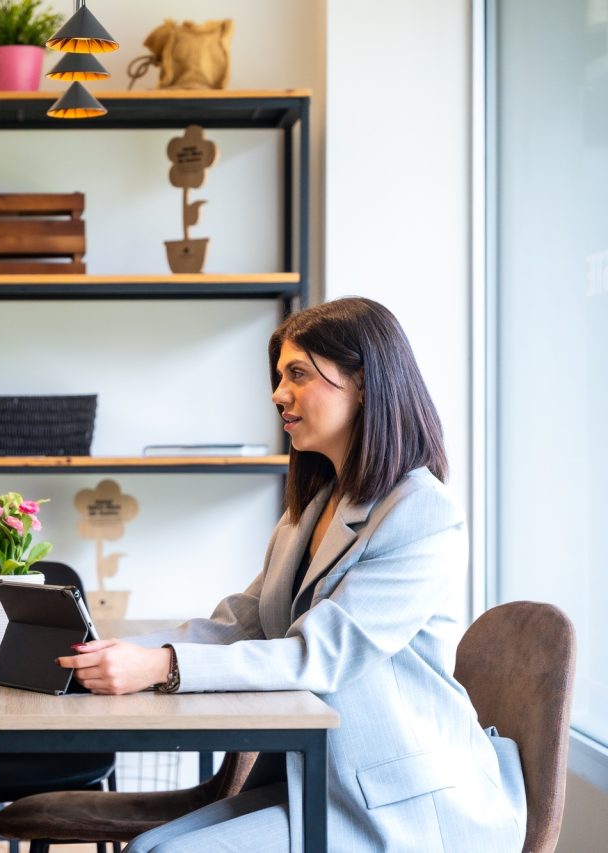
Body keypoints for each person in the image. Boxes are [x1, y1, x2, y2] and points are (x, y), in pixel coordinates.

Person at [57, 298, 527, 852]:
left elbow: (319, 656)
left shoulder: (421, 511)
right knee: (150, 848)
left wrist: (161, 667)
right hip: (322, 778)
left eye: (298, 375)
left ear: (363, 382)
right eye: (280, 377)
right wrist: (116, 652)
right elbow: (245, 622)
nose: (279, 394)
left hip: (406, 803)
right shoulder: (315, 504)